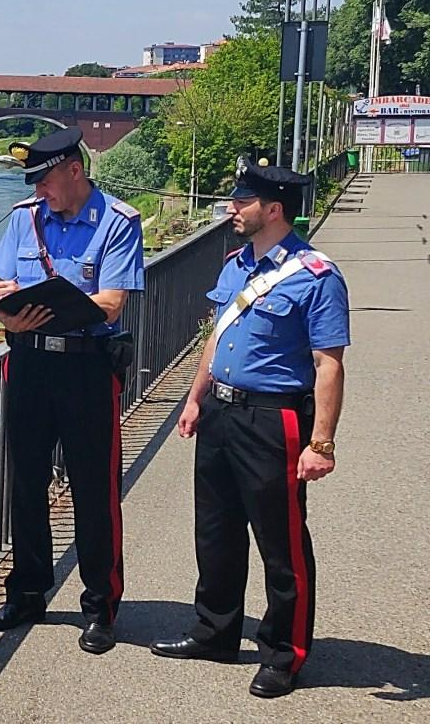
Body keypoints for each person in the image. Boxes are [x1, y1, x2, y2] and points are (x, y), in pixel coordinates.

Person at [151, 159, 349, 698]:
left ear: (274, 209)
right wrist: (194, 400)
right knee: (215, 531)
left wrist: (321, 443)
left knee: (280, 542)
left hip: (273, 418)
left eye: (242, 201)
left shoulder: (317, 276)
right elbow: (215, 338)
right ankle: (215, 631)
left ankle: (285, 652)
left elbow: (328, 363)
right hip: (220, 410)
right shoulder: (236, 265)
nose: (231, 209)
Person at [0, 126, 145, 655]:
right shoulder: (23, 218)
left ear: (74, 169)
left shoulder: (117, 223)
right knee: (25, 486)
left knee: (93, 491)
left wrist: (40, 307)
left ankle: (100, 605)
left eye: (46, 179)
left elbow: (111, 304)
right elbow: (1, 285)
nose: (39, 190)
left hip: (85, 371)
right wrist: (6, 300)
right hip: (28, 364)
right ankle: (28, 592)